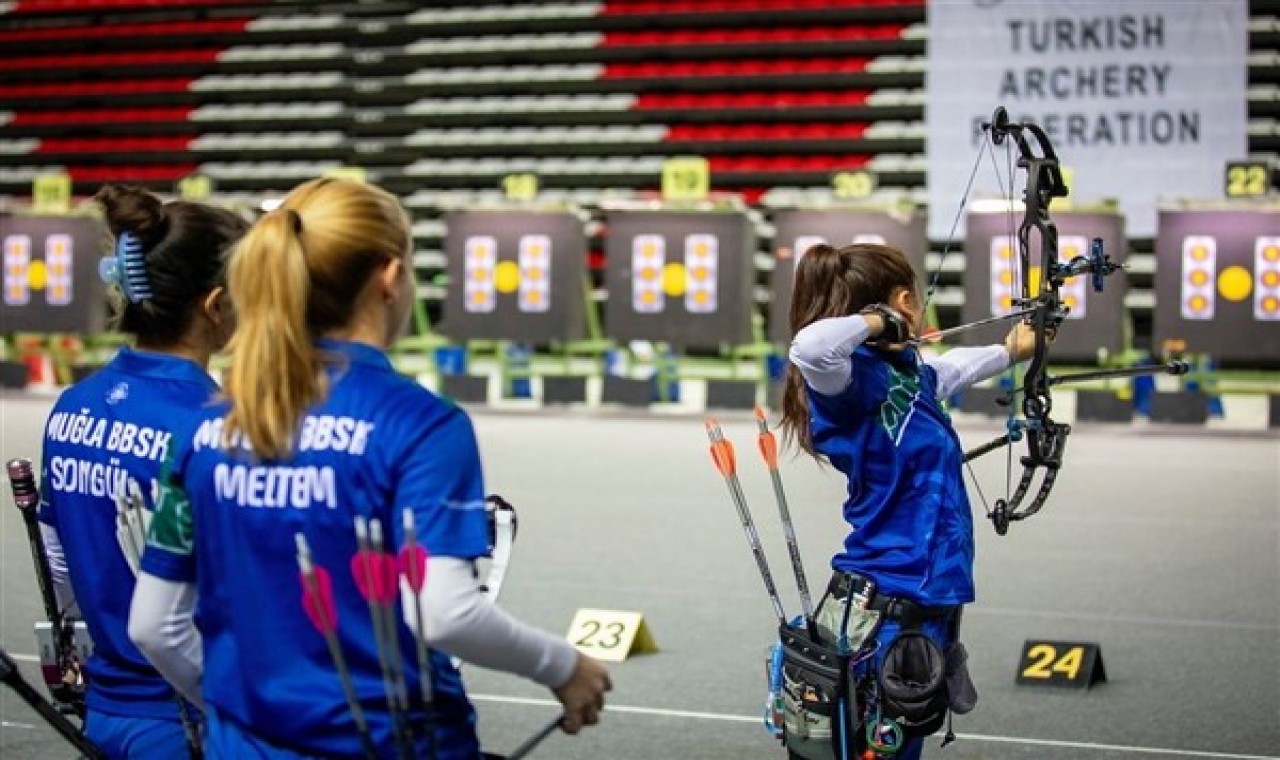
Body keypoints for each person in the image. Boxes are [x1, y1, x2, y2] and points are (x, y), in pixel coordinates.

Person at [127, 177, 611, 759]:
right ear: (389, 277)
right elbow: (445, 612)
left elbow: (154, 627)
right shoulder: (419, 424)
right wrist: (565, 665)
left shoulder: (209, 425)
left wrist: (245, 716)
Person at [778, 243, 1040, 760]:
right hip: (885, 601)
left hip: (923, 598)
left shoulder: (909, 376)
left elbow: (952, 370)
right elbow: (810, 348)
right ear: (903, 301)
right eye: (913, 302)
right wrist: (879, 321)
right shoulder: (847, 381)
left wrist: (1011, 350)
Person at [37, 184, 247, 758]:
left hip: (106, 713)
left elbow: (61, 569)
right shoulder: (218, 424)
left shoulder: (72, 406)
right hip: (190, 718)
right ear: (215, 305)